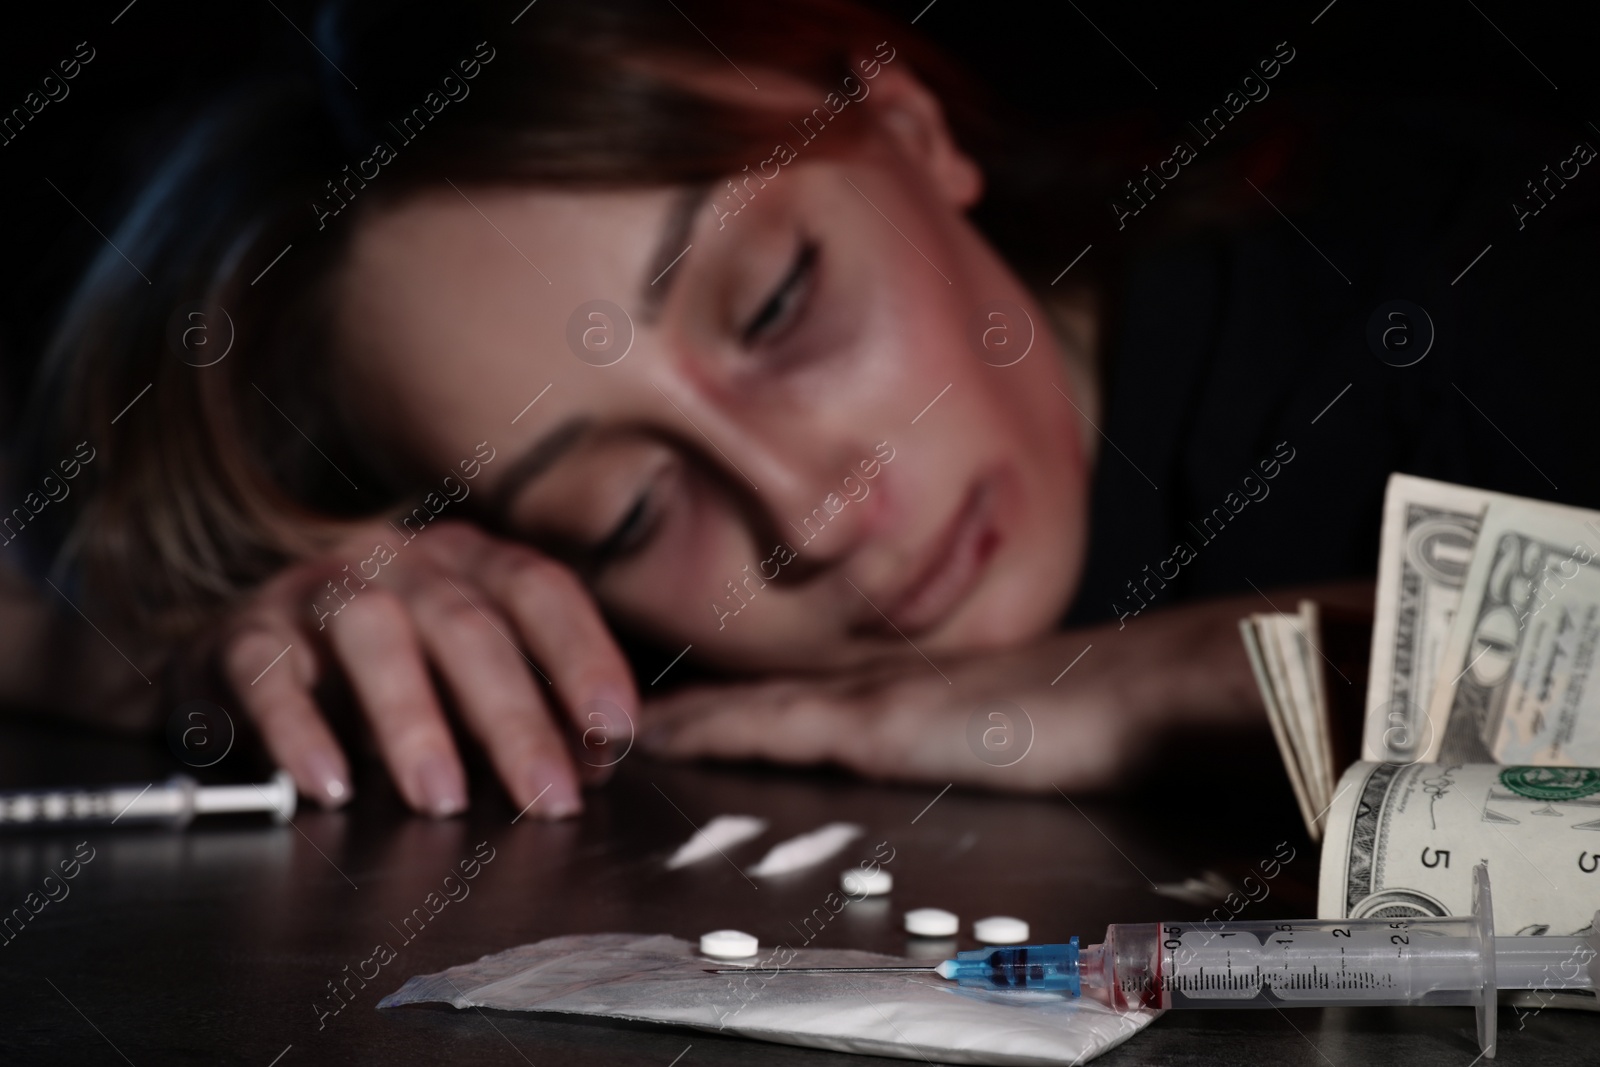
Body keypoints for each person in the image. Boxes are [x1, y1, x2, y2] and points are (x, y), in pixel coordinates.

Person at [15, 0, 1598, 818]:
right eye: (618, 510)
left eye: (778, 306)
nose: (815, 514)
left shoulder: (1478, 292)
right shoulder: (606, 650)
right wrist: (217, 635)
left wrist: (1202, 683)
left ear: (901, 117)